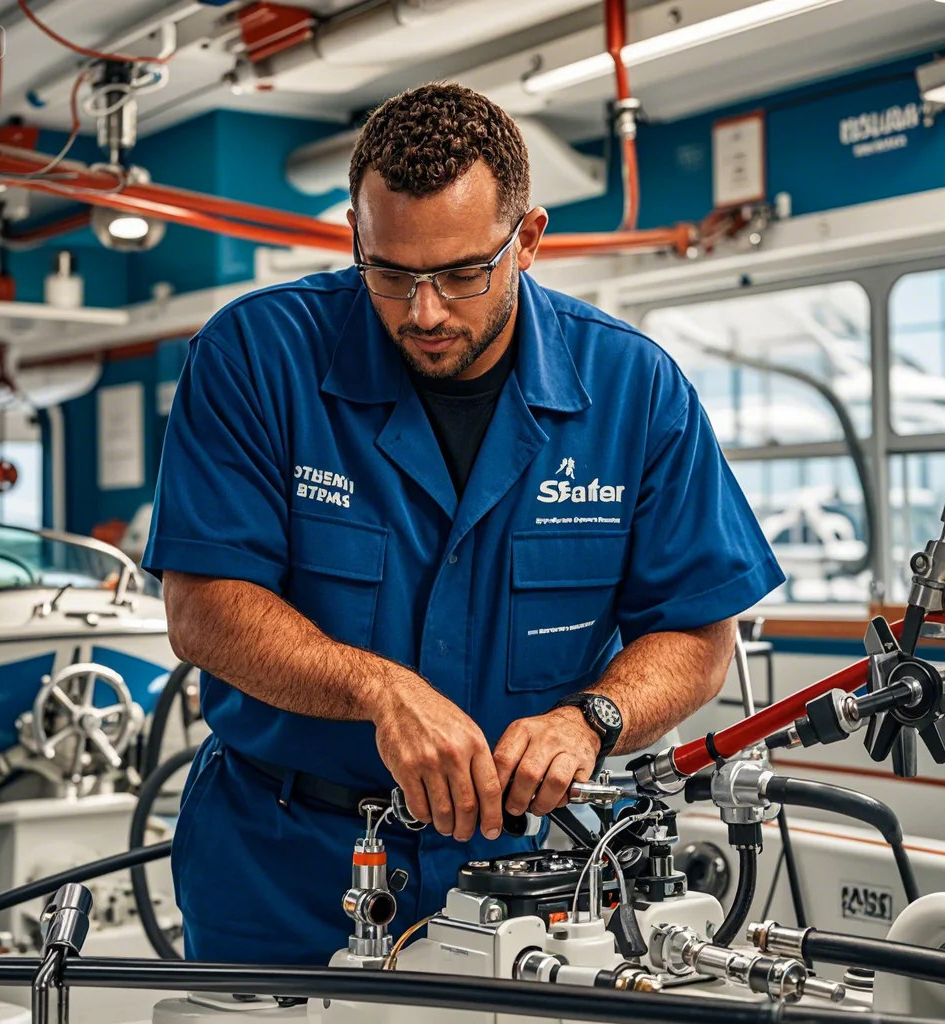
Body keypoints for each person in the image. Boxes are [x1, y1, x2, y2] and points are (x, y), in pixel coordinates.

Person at [143, 81, 784, 963]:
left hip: (524, 874)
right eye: (392, 272)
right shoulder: (257, 356)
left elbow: (696, 632)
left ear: (527, 240)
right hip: (283, 862)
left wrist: (592, 718)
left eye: (459, 273)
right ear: (355, 238)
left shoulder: (633, 390)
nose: (424, 311)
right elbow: (205, 607)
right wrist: (379, 691)